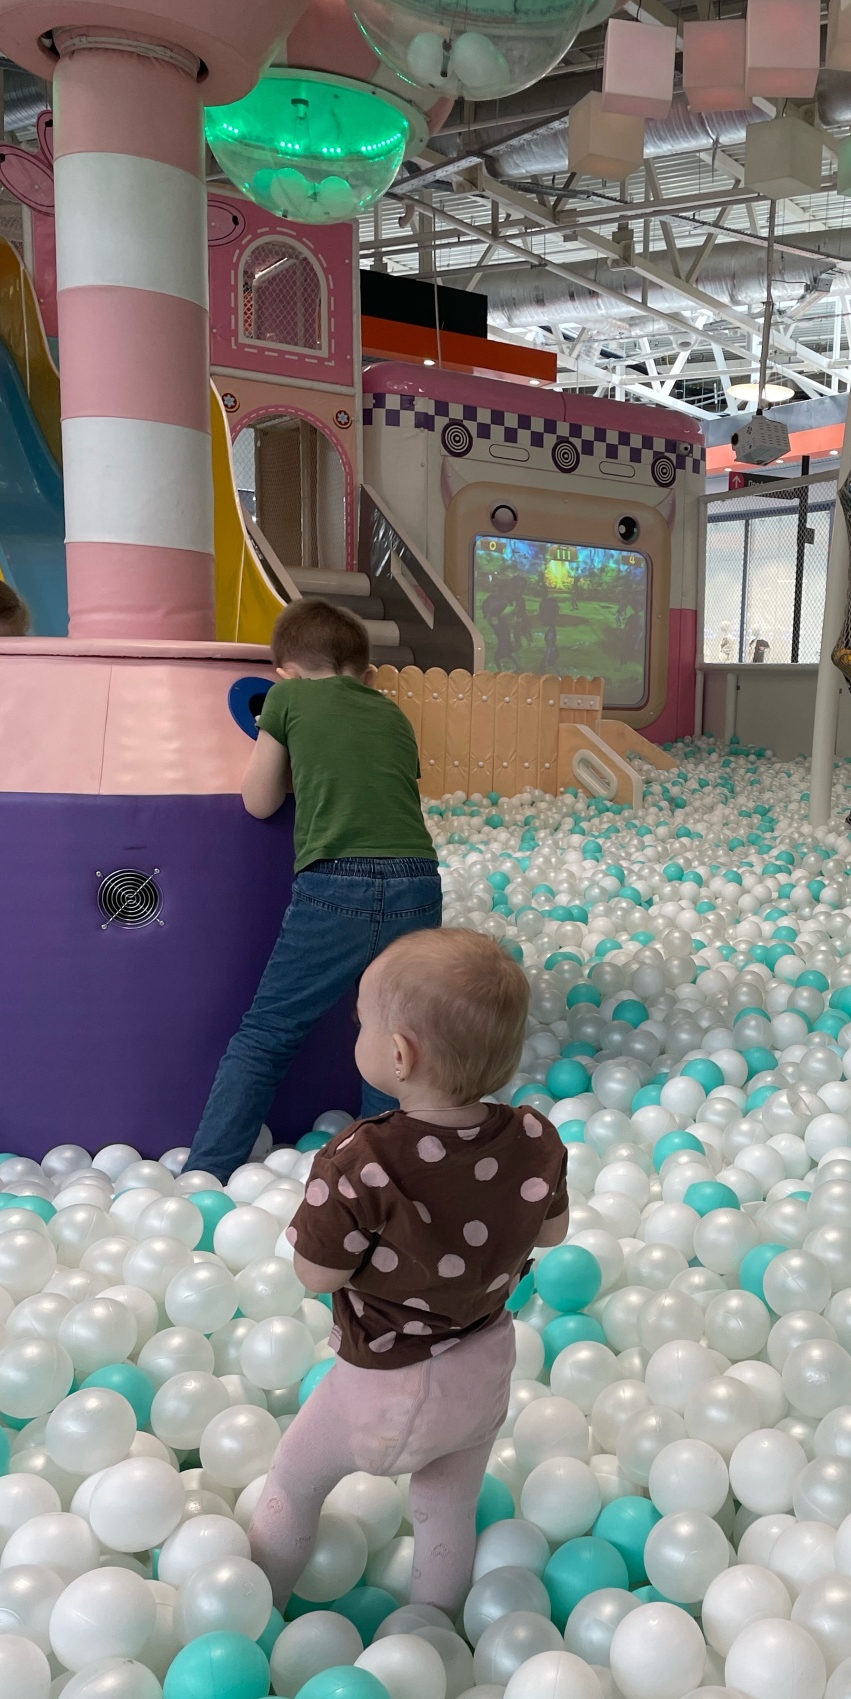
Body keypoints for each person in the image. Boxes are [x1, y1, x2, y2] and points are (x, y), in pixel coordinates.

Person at [247, 928, 568, 1613]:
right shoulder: (535, 1138)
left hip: (380, 1387)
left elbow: (316, 1274)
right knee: (446, 1513)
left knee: (295, 1481)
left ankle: (261, 1604)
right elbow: (552, 1230)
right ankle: (435, 1629)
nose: (357, 1032)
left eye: (362, 1022)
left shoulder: (362, 1160)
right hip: (480, 1374)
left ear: (398, 1054)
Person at [186, 599, 441, 1179]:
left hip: (337, 884)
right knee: (394, 1032)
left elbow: (259, 801)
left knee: (268, 1032)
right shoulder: (393, 714)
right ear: (367, 675)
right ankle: (382, 1172)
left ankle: (208, 1170)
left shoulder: (288, 699)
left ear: (287, 672)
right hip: (418, 881)